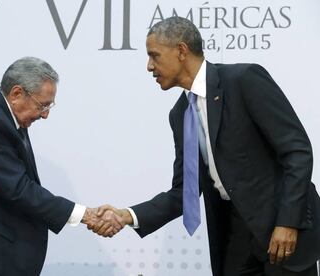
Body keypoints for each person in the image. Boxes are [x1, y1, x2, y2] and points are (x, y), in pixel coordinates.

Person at [96, 17, 320, 275]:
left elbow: (297, 152)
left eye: (154, 56)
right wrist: (127, 215)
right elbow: (184, 192)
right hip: (234, 239)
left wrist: (288, 222)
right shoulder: (180, 114)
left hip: (281, 234)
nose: (149, 66)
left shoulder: (244, 80)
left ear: (181, 51)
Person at [0, 57, 123, 276]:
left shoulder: (4, 116)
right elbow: (19, 189)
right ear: (17, 93)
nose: (46, 114)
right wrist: (86, 215)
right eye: (43, 105)